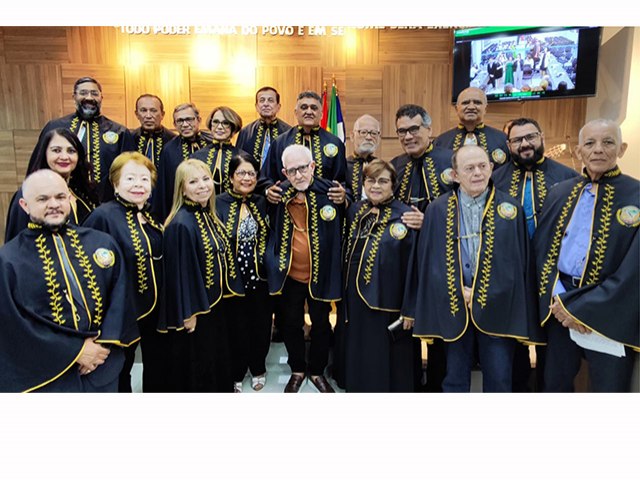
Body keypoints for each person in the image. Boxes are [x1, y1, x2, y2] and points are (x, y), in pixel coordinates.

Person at [403, 145, 539, 392]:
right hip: (455, 306)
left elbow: (518, 265)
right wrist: (458, 290)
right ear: (455, 175)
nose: (477, 173)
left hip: (498, 308)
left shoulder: (510, 209)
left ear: (491, 168)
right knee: (454, 378)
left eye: (482, 166)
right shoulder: (437, 209)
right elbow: (429, 262)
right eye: (469, 168)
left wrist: (481, 293)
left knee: (499, 379)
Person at [0, 170, 138, 392]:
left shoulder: (102, 242)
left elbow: (120, 297)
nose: (53, 204)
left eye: (60, 197)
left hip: (103, 367)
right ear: (25, 206)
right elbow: (13, 324)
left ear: (70, 199)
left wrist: (102, 347)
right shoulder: (8, 260)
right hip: (49, 375)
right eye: (42, 199)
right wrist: (76, 351)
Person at [534, 119, 639, 392]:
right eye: (590, 143)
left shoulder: (637, 196)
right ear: (579, 150)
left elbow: (633, 271)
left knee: (609, 390)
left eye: (608, 142)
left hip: (612, 310)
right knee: (554, 385)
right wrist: (558, 300)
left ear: (622, 148)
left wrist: (584, 309)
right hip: (559, 308)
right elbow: (543, 252)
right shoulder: (559, 193)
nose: (598, 150)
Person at [493, 117, 579, 391]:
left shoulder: (568, 178)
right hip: (510, 275)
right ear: (509, 145)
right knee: (513, 344)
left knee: (552, 350)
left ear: (541, 137)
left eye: (530, 137)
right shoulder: (495, 179)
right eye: (517, 140)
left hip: (553, 277)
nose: (525, 144)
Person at [83, 152, 165, 392]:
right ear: (115, 183)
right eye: (130, 179)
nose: (138, 185)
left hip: (152, 310)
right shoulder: (102, 216)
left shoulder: (149, 215)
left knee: (157, 366)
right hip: (121, 312)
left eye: (144, 179)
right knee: (120, 371)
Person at [265, 145, 344, 393]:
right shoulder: (277, 195)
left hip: (321, 274)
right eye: (292, 170)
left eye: (303, 168)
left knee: (321, 324)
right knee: (290, 324)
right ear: (284, 172)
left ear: (312, 167)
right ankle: (297, 369)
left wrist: (347, 196)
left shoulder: (330, 192)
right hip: (290, 275)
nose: (298, 175)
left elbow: (350, 206)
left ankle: (318, 371)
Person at [159, 159, 241, 392]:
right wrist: (189, 314)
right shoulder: (181, 224)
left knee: (215, 354)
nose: (203, 185)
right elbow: (179, 276)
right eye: (193, 181)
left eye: (206, 179)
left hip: (214, 303)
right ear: (182, 188)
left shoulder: (208, 214)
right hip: (197, 310)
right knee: (199, 361)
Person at [341, 160, 416, 392]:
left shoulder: (406, 216)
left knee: (384, 356)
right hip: (354, 297)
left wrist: (409, 308)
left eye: (382, 181)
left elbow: (414, 265)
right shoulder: (355, 210)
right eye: (370, 180)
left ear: (393, 185)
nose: (375, 186)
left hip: (387, 299)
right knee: (357, 350)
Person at [216, 152, 272, 393]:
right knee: (235, 328)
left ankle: (258, 367)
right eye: (241, 173)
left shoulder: (263, 201)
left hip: (260, 279)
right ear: (231, 177)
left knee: (260, 325)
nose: (247, 178)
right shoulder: (216, 202)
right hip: (231, 279)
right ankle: (236, 370)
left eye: (251, 173)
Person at [26, 77, 134, 197]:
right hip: (60, 203)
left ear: (101, 98)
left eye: (94, 93)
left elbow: (130, 173)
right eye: (83, 93)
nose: (89, 97)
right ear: (74, 97)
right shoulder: (54, 127)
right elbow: (37, 166)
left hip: (106, 207)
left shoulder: (120, 132)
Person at [5, 128, 98, 243]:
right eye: (56, 150)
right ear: (44, 153)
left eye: (71, 151)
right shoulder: (28, 194)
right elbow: (16, 243)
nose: (64, 157)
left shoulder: (82, 193)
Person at [261, 91, 347, 206]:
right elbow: (266, 177)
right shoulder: (280, 142)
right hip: (287, 209)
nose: (309, 111)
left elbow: (343, 180)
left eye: (314, 108)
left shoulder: (335, 143)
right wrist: (268, 190)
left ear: (321, 114)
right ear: (296, 113)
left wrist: (343, 193)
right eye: (304, 107)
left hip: (325, 211)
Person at [154, 103, 212, 220]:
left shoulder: (212, 143)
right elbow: (164, 188)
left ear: (198, 120)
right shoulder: (168, 149)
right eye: (180, 121)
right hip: (182, 213)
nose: (185, 124)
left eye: (189, 119)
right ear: (174, 124)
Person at [435, 87, 510, 168]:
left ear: (485, 109)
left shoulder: (503, 140)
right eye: (465, 103)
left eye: (477, 103)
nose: (471, 107)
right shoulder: (441, 142)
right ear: (457, 109)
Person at [192, 106, 247, 195]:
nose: (220, 127)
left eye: (225, 123)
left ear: (233, 127)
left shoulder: (243, 158)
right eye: (216, 122)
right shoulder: (197, 157)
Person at [236, 86, 291, 168]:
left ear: (278, 107)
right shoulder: (246, 132)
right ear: (257, 107)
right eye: (262, 100)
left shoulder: (288, 132)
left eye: (270, 100)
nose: (266, 104)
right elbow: (237, 161)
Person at [131, 94, 177, 170]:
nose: (148, 116)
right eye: (143, 110)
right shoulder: (129, 139)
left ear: (162, 114)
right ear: (137, 114)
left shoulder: (173, 140)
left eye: (153, 111)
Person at [347, 114, 382, 201]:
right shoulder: (343, 166)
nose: (369, 137)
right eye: (363, 132)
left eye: (374, 133)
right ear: (352, 136)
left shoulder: (383, 167)